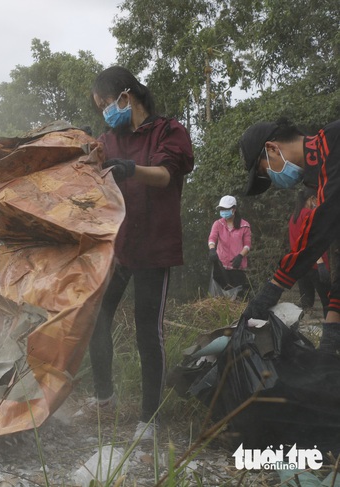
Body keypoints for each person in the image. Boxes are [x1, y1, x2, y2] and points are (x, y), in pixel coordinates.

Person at [87, 66, 195, 441]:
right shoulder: (107, 140)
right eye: (100, 107)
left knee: (148, 332)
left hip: (154, 245)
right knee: (96, 317)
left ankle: (149, 418)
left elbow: (166, 175)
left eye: (106, 103)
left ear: (125, 96)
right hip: (117, 248)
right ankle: (104, 397)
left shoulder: (170, 131)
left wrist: (131, 170)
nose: (105, 112)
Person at [240, 117, 340, 354]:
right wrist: (332, 325)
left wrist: (276, 285)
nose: (273, 181)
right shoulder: (322, 177)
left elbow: (321, 224)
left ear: (272, 148)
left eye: (266, 172)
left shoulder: (332, 143)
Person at [289, 187, 331, 317]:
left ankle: (305, 330)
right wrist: (320, 263)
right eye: (317, 199)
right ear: (312, 199)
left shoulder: (294, 218)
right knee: (328, 301)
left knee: (306, 302)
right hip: (315, 265)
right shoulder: (309, 214)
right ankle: (332, 331)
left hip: (301, 265)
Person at [207, 195, 252, 299]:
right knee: (219, 298)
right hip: (221, 266)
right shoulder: (218, 224)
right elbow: (212, 238)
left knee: (238, 298)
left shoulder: (244, 225)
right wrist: (212, 249)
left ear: (234, 209)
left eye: (226, 209)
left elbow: (247, 245)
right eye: (222, 209)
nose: (223, 211)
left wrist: (240, 256)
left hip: (237, 266)